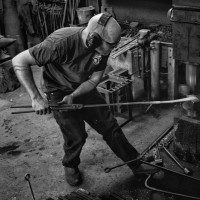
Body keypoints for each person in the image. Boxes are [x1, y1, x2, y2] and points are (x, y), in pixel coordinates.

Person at [12, 13, 156, 186]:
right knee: (76, 134)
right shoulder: (60, 42)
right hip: (57, 90)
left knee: (110, 126)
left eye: (115, 44)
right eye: (110, 45)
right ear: (93, 39)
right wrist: (36, 98)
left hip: (82, 87)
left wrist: (74, 95)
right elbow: (19, 60)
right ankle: (70, 165)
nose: (112, 49)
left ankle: (136, 163)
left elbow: (94, 80)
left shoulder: (103, 47)